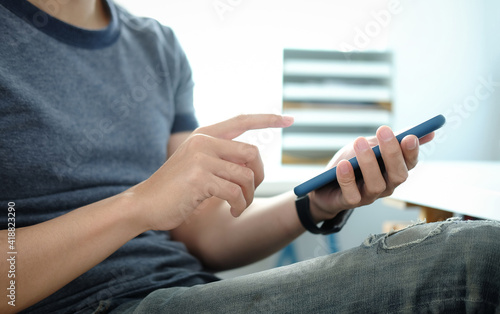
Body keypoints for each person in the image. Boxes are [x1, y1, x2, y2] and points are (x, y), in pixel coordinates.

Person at [1, 0, 499, 313]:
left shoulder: (156, 46)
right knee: (473, 258)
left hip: (184, 291)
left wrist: (316, 204)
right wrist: (137, 205)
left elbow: (207, 237)